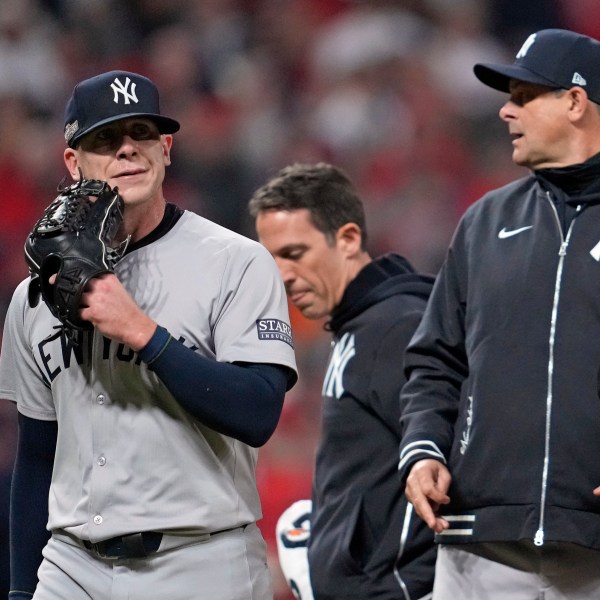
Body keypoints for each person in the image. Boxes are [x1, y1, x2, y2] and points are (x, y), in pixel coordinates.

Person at [0, 70, 298, 600]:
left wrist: (141, 331)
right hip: (70, 567)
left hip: (199, 560)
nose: (127, 151)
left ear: (165, 150)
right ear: (74, 162)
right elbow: (37, 456)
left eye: (141, 134)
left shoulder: (235, 263)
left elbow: (257, 413)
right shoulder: (33, 297)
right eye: (105, 140)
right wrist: (23, 591)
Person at [398, 28, 600, 600]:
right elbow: (436, 360)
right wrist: (423, 452)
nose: (506, 111)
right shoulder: (485, 222)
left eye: (524, 95)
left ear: (575, 101)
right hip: (479, 544)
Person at [248, 162, 437, 600]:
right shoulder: (360, 326)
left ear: (348, 239)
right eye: (270, 259)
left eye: (294, 254)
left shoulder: (395, 328)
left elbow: (443, 458)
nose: (281, 275)